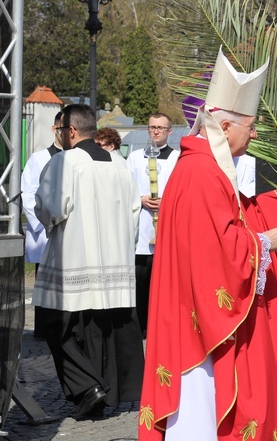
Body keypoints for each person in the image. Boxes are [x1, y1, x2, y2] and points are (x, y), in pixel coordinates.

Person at [138, 48, 277, 440]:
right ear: (226, 126)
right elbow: (214, 252)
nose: (255, 134)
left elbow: (231, 219)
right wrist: (264, 241)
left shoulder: (203, 167)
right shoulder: (201, 173)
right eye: (250, 126)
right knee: (203, 418)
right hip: (199, 334)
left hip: (193, 318)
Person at [33, 104, 144, 419]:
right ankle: (98, 393)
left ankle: (89, 388)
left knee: (57, 326)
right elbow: (134, 213)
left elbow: (51, 209)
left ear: (70, 131)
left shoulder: (65, 163)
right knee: (101, 330)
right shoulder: (120, 164)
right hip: (114, 265)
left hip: (76, 261)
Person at [126, 113, 180, 335]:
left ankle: (164, 326)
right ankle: (141, 326)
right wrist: (139, 199)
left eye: (161, 127)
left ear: (170, 131)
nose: (156, 131)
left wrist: (166, 202)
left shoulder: (179, 157)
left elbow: (181, 188)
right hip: (142, 223)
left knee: (166, 281)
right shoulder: (135, 157)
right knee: (141, 280)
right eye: (152, 127)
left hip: (167, 223)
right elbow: (126, 186)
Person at [21, 111, 63, 339]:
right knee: (45, 281)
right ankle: (44, 328)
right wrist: (45, 223)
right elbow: (28, 194)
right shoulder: (38, 159)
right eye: (60, 127)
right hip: (45, 231)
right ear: (54, 129)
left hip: (69, 230)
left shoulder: (77, 158)